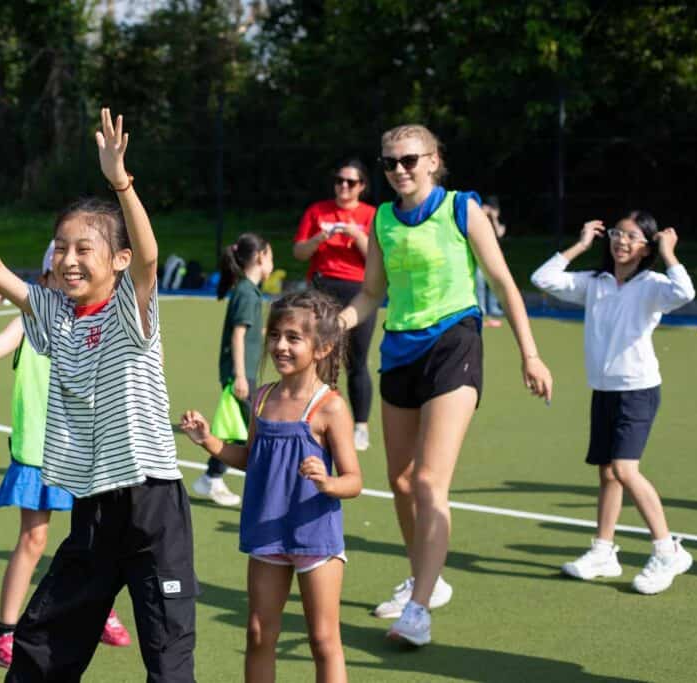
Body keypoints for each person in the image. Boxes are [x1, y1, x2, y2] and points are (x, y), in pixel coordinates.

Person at [0, 109, 196, 681]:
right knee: (43, 646)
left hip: (152, 504)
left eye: (85, 249)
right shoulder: (54, 314)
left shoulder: (131, 311)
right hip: (93, 506)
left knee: (168, 652)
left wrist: (120, 183)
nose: (69, 259)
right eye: (61, 248)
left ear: (119, 260)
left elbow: (152, 255)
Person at [338, 124, 553, 646]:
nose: (399, 170)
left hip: (454, 342)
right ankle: (426, 580)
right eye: (390, 162)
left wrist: (530, 353)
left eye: (410, 159)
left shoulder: (461, 209)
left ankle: (417, 611)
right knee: (402, 481)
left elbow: (502, 281)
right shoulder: (385, 218)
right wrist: (335, 325)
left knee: (432, 481)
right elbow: (371, 293)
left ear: (434, 161)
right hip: (400, 349)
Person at [181, 290, 361, 683]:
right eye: (276, 335)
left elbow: (354, 481)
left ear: (322, 348)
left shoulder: (330, 407)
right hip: (267, 535)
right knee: (260, 633)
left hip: (315, 538)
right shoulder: (262, 399)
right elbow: (251, 458)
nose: (280, 345)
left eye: (294, 338)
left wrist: (327, 481)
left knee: (322, 639)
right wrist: (208, 441)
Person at [0, 243, 131, 668]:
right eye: (60, 275)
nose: (69, 283)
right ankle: (3, 633)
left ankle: (100, 612)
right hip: (38, 453)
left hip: (86, 451)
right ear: (45, 280)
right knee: (34, 540)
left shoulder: (95, 325)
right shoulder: (29, 323)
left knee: (96, 539)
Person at [531, 213, 695, 594]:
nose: (621, 241)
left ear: (646, 246)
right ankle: (603, 552)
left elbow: (685, 293)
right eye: (618, 234)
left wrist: (669, 254)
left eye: (633, 237)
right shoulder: (595, 282)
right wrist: (580, 244)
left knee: (624, 469)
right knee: (607, 473)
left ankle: (667, 549)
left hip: (637, 389)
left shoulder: (654, 285)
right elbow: (543, 279)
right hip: (603, 390)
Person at [293, 159, 378, 451]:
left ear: (362, 187)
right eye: (340, 180)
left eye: (351, 182)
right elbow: (299, 253)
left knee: (357, 361)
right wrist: (320, 237)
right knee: (320, 358)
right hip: (322, 288)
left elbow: (379, 260)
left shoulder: (371, 215)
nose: (344, 186)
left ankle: (361, 426)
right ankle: (318, 417)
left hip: (359, 292)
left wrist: (357, 236)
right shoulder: (317, 211)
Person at [192, 233, 273, 507]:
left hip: (242, 372)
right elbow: (238, 336)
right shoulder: (247, 293)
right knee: (249, 428)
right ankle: (213, 477)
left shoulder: (246, 290)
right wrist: (239, 375)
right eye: (271, 256)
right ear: (261, 257)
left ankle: (211, 477)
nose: (272, 262)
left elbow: (249, 333)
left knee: (235, 428)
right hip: (240, 374)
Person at [475, 195, 506, 327]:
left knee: (494, 286)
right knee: (479, 285)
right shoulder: (481, 220)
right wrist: (482, 213)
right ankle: (481, 312)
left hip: (495, 260)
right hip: (480, 257)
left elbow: (499, 233)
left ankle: (494, 311)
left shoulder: (499, 223)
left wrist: (493, 217)